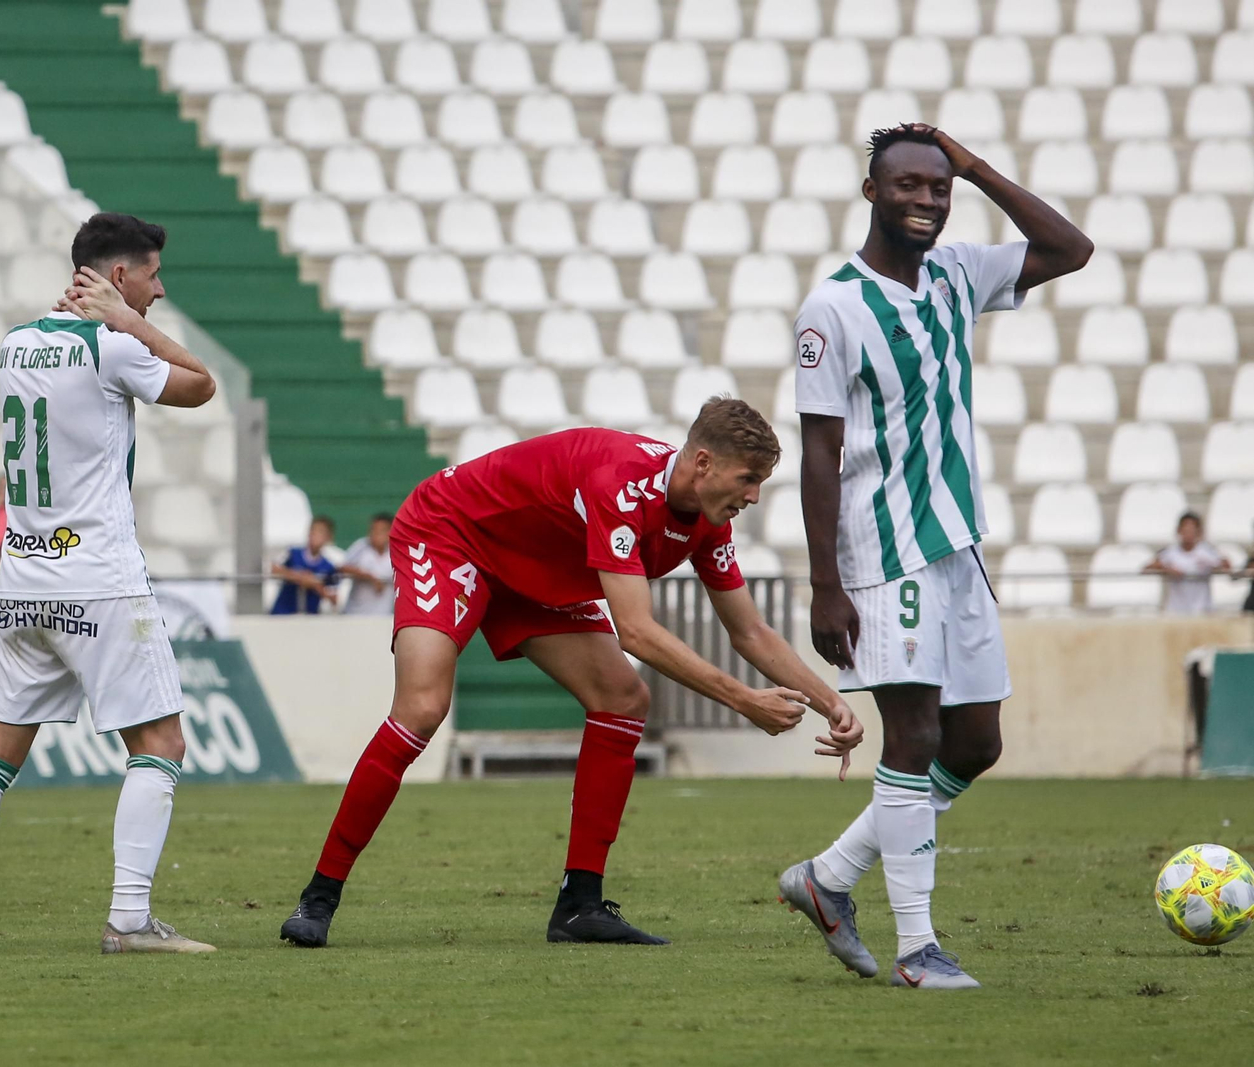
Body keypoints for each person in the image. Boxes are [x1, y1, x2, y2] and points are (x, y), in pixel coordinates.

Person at [277, 398, 864, 949]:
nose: (755, 496)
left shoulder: (711, 521)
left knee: (623, 698)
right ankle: (319, 896)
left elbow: (751, 631)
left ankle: (580, 906)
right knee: (423, 708)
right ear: (704, 463)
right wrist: (743, 700)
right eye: (748, 479)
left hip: (538, 568)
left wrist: (832, 703)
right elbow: (636, 632)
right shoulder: (622, 487)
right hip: (452, 532)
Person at [784, 123, 1093, 990]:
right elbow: (819, 453)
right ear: (871, 193)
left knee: (977, 740)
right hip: (885, 553)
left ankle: (829, 877)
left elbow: (1071, 249)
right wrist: (825, 584)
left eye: (938, 186)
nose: (927, 199)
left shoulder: (959, 274)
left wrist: (976, 165)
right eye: (908, 185)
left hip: (959, 544)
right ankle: (918, 949)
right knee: (915, 734)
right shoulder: (833, 308)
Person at [0, 213, 218, 956]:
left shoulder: (17, 342)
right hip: (99, 576)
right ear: (118, 277)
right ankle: (130, 920)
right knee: (160, 742)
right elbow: (202, 386)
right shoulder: (111, 343)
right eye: (151, 276)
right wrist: (131, 326)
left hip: (24, 578)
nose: (159, 290)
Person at [1143, 512, 1230, 616]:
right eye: (1185, 529)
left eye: (1192, 529)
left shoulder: (1206, 551)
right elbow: (1147, 568)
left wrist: (1215, 566)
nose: (1188, 533)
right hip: (1176, 611)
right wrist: (1167, 569)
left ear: (1198, 532)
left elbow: (1226, 566)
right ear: (1179, 530)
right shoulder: (1171, 552)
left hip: (1202, 610)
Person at [270, 517, 339, 614]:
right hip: (282, 613)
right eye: (313, 530)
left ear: (328, 538)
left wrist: (315, 584)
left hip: (309, 616)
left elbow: (334, 598)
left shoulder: (328, 566)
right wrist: (299, 577)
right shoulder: (292, 553)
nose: (314, 535)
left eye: (321, 532)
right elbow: (274, 569)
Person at [339, 513, 395, 616]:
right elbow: (343, 568)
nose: (376, 534)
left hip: (383, 616)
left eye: (382, 530)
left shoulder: (396, 552)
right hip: (354, 615)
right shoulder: (361, 546)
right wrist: (369, 577)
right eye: (374, 529)